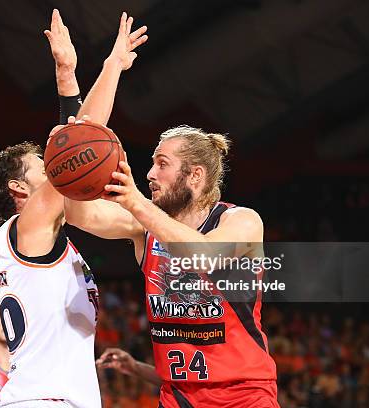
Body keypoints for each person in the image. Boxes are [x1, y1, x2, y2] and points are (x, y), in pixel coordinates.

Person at [64, 46, 278, 408]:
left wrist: (133, 201)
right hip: (177, 397)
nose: (149, 175)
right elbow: (76, 209)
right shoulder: (142, 226)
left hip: (243, 397)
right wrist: (84, 78)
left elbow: (203, 256)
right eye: (151, 163)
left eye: (162, 164)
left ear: (195, 175)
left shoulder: (241, 221)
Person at [0, 9, 147, 408]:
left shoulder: (41, 241)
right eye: (42, 163)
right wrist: (104, 66)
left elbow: (127, 215)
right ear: (19, 187)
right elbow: (81, 143)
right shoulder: (28, 227)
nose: (52, 162)